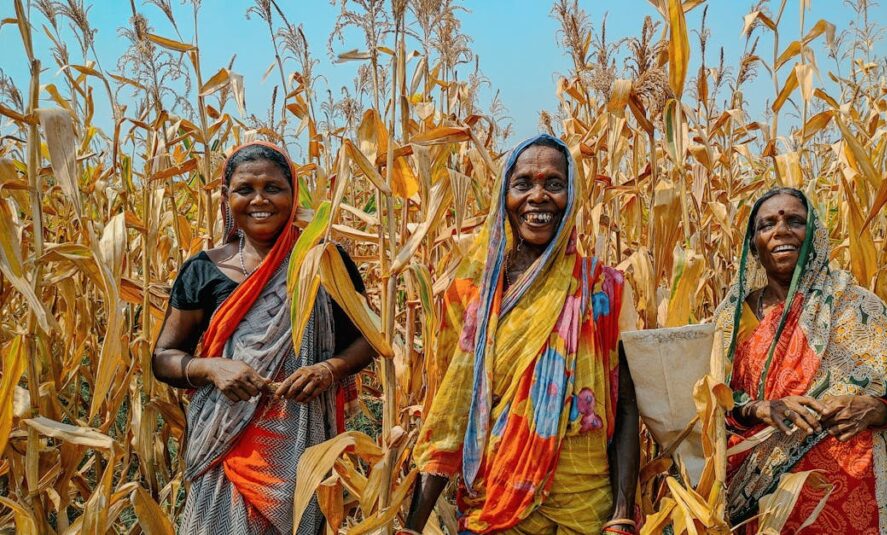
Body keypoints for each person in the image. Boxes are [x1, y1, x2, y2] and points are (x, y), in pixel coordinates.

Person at [401, 134, 640, 535]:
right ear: (504, 196)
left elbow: (627, 406)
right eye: (524, 183)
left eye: (554, 184)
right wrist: (412, 527)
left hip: (584, 506)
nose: (538, 196)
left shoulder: (604, 289)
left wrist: (621, 514)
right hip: (494, 501)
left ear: (573, 195)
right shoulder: (472, 295)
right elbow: (451, 413)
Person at [153, 141, 376, 534]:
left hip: (302, 441)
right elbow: (164, 357)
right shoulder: (204, 270)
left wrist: (327, 369)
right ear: (226, 197)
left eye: (273, 188)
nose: (260, 200)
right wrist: (211, 368)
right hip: (225, 439)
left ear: (293, 194)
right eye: (245, 189)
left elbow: (367, 340)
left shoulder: (325, 261)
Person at [714, 187, 887, 534]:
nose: (781, 230)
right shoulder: (732, 319)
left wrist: (875, 410)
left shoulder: (856, 305)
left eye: (795, 221)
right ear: (753, 247)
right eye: (767, 224)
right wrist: (760, 409)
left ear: (815, 236)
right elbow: (711, 403)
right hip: (758, 497)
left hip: (851, 492)